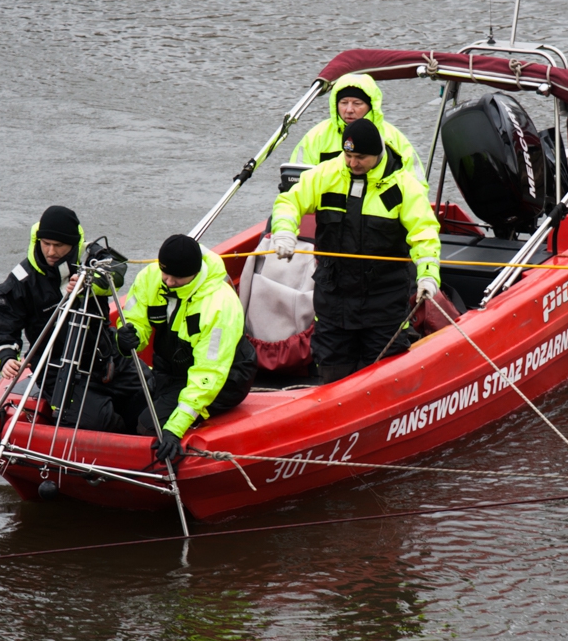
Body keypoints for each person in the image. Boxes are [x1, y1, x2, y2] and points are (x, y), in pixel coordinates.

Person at [270, 118, 441, 383]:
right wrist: (284, 230)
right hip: (333, 299)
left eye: (360, 157)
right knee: (331, 371)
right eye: (348, 156)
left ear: (377, 154)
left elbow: (425, 234)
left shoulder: (403, 187)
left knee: (384, 377)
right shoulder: (326, 175)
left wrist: (428, 275)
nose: (352, 163)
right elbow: (289, 202)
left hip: (384, 303)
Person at [0, 205, 143, 433]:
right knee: (99, 423)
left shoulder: (91, 258)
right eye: (46, 243)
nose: (51, 251)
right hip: (57, 368)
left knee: (150, 392)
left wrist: (91, 283)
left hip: (104, 354)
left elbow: (117, 272)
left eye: (58, 245)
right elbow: (0, 324)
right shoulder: (23, 280)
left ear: (73, 244)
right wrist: (5, 357)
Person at [120, 234, 257, 462]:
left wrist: (176, 428)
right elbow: (135, 320)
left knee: (148, 427)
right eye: (165, 273)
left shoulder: (219, 305)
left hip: (225, 379)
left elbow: (209, 372)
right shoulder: (151, 278)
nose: (169, 282)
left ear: (195, 272)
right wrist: (128, 338)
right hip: (171, 371)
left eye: (178, 277)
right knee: (125, 415)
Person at [290, 73, 426, 188]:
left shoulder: (393, 139)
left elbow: (417, 186)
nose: (349, 110)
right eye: (344, 103)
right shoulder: (316, 137)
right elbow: (294, 182)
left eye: (357, 103)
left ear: (371, 106)